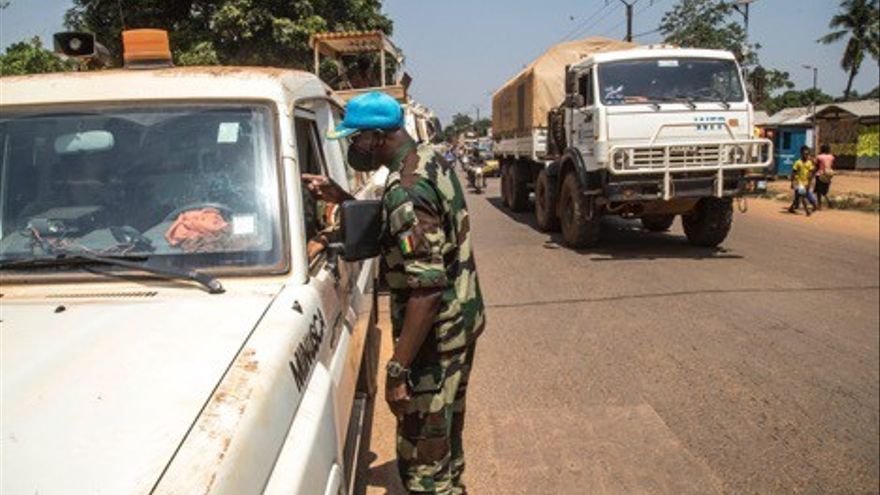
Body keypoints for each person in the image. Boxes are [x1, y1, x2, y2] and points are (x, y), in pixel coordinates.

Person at [302, 91, 485, 495]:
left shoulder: (406, 188)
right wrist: (343, 199)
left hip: (433, 339)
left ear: (376, 137)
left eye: (355, 138)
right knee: (445, 437)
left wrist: (397, 369)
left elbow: (427, 288)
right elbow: (399, 232)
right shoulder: (427, 160)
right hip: (459, 325)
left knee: (422, 463)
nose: (353, 147)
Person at [789, 146, 817, 216]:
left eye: (807, 154)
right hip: (799, 182)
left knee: (798, 198)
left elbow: (811, 173)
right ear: (801, 154)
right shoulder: (797, 162)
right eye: (804, 154)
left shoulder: (809, 163)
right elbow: (793, 173)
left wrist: (809, 183)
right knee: (803, 196)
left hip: (806, 183)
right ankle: (807, 211)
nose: (806, 155)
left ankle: (791, 208)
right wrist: (792, 183)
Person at [813, 144, 835, 210]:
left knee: (818, 191)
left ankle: (819, 205)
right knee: (825, 190)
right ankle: (829, 202)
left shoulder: (819, 157)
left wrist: (813, 173)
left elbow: (816, 166)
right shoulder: (831, 157)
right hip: (829, 174)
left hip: (820, 174)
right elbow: (832, 165)